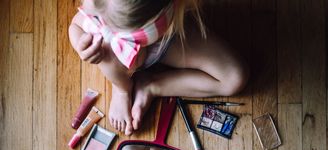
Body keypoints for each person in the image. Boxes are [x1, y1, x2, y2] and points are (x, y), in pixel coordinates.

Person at [69, 0, 249, 135]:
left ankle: (152, 85)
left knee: (234, 78)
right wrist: (81, 45)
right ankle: (122, 88)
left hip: (168, 38)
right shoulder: (98, 7)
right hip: (116, 56)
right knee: (104, 50)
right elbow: (76, 24)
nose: (98, 23)